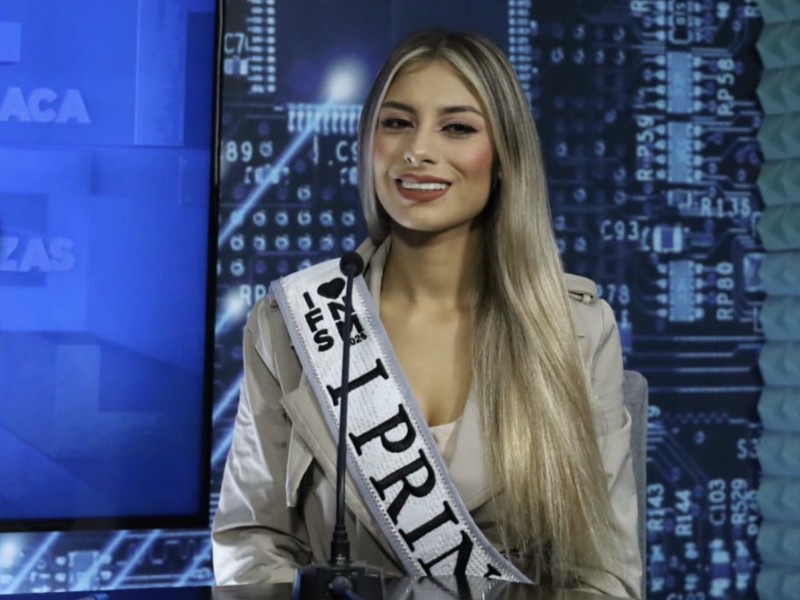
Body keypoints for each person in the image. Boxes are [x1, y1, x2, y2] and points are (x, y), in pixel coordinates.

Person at [212, 29, 642, 598]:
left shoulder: (578, 330)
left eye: (457, 128)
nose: (417, 150)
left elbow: (603, 574)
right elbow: (253, 547)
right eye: (397, 123)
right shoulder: (290, 324)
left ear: (504, 156)